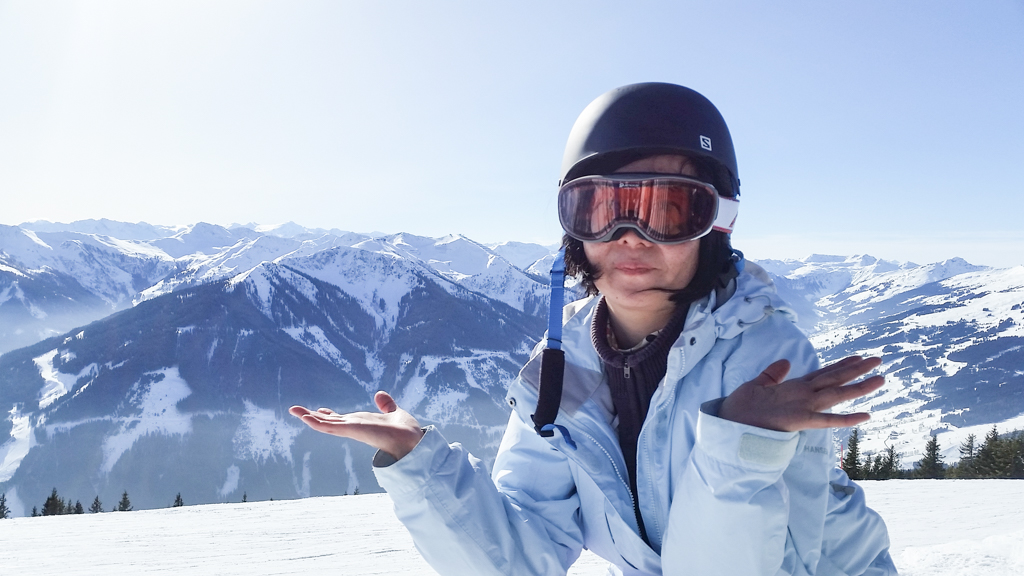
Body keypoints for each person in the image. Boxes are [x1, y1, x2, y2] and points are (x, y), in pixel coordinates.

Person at [290, 82, 897, 575]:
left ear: (717, 223)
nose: (630, 236)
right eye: (601, 210)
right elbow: (522, 555)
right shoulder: (560, 367)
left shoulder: (764, 359)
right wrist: (417, 459)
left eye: (667, 209)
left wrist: (743, 447)